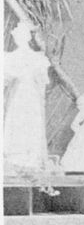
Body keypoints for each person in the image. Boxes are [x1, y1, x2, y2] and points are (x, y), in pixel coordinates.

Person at [3, 20, 50, 173]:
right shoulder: (9, 58)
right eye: (17, 35)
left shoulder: (38, 58)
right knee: (16, 122)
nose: (19, 38)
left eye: (22, 35)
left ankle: (32, 159)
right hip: (17, 95)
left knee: (31, 123)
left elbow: (42, 84)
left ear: (28, 37)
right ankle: (15, 159)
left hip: (31, 96)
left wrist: (40, 99)